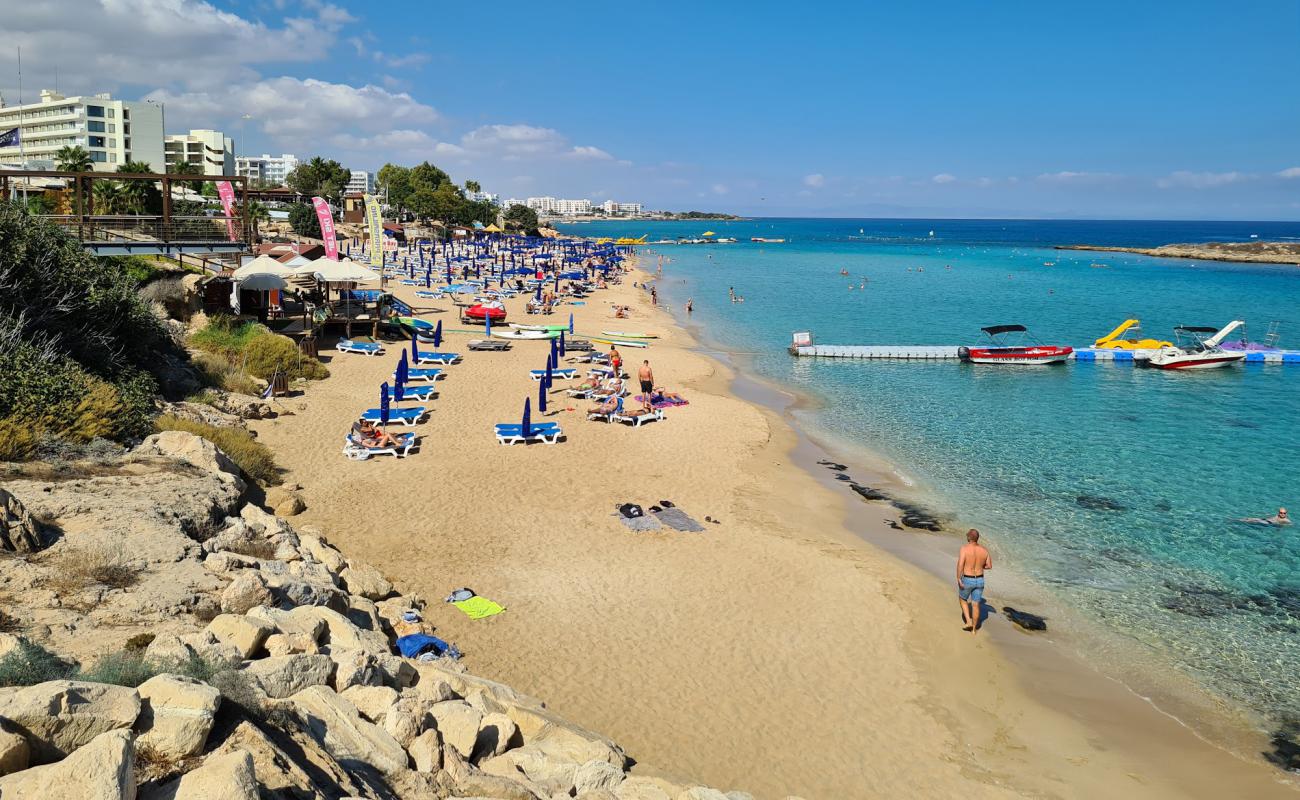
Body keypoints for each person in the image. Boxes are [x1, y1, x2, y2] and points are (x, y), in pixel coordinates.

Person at [956, 529, 992, 634]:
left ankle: (968, 621)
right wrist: (979, 566)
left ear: (969, 538)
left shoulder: (964, 549)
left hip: (968, 578)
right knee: (975, 604)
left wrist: (958, 578)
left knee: (963, 599)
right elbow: (989, 566)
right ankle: (974, 630)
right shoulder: (984, 550)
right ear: (977, 538)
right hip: (980, 579)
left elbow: (960, 564)